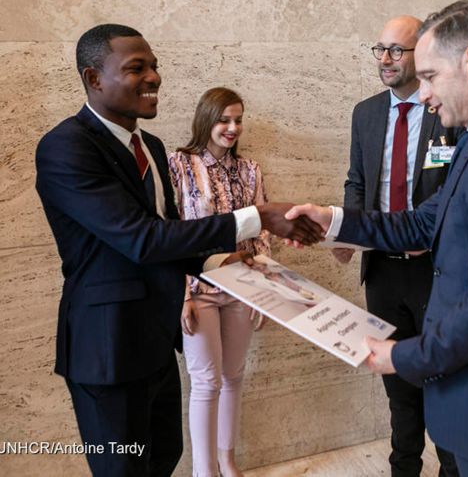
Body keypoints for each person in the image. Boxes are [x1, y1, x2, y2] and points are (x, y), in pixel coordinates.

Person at [287, 0, 468, 477]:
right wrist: (330, 220)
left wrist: (403, 354)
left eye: (432, 77)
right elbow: (419, 223)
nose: (426, 96)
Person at [34, 24, 321, 477]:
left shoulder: (149, 145)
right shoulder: (65, 147)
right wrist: (258, 216)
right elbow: (140, 239)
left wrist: (219, 261)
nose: (154, 77)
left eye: (154, 65)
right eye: (136, 68)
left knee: (163, 457)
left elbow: (166, 233)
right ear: (94, 78)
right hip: (106, 350)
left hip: (156, 343)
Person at [333, 15, 460, 477]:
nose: (385, 59)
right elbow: (357, 181)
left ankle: (452, 469)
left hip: (436, 270)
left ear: (421, 55)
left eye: (396, 50)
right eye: (379, 49)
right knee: (398, 386)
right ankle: (404, 468)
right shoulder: (365, 113)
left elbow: (455, 188)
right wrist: (347, 229)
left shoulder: (444, 111)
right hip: (382, 273)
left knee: (442, 381)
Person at [168, 87, 271, 477]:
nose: (232, 128)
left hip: (244, 289)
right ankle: (203, 471)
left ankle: (228, 462)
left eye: (238, 120)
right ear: (206, 118)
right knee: (206, 380)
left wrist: (264, 294)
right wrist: (180, 295)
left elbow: (261, 235)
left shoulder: (250, 170)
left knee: (233, 375)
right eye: (224, 119)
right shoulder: (178, 165)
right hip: (199, 291)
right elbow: (171, 232)